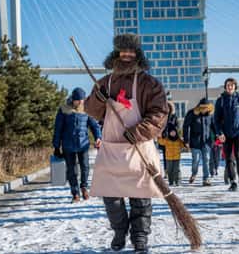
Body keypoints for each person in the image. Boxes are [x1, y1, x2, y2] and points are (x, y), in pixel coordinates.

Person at [85, 34, 168, 253]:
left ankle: (140, 236)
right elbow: (92, 111)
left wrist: (140, 131)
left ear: (137, 54)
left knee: (140, 196)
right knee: (111, 197)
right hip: (111, 149)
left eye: (131, 52)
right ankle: (119, 232)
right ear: (116, 54)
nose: (126, 55)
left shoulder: (150, 84)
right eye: (123, 52)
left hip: (138, 148)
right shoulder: (105, 82)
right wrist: (97, 100)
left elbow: (160, 112)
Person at [52, 87, 102, 203]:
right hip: (68, 145)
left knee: (85, 167)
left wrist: (98, 137)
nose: (80, 102)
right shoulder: (64, 110)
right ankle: (75, 193)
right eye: (78, 100)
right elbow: (58, 128)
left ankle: (84, 187)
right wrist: (56, 146)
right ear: (73, 99)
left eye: (82, 100)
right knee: (71, 170)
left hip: (83, 144)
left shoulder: (86, 110)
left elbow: (94, 125)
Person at [214, 78, 239, 191]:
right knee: (229, 158)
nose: (230, 87)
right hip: (226, 134)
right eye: (228, 85)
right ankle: (233, 182)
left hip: (238, 132)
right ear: (225, 87)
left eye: (232, 85)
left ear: (235, 87)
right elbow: (216, 120)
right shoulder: (220, 101)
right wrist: (219, 133)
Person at [183, 98, 215, 186]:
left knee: (206, 160)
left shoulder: (210, 115)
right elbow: (185, 126)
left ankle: (206, 179)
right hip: (195, 141)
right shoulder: (192, 113)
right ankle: (194, 173)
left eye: (206, 108)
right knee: (195, 161)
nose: (205, 109)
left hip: (206, 142)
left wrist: (218, 136)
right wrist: (186, 140)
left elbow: (214, 127)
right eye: (203, 107)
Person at [159, 100, 179, 178]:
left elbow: (177, 125)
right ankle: (166, 171)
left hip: (173, 138)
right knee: (165, 155)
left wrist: (174, 131)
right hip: (164, 138)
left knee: (174, 155)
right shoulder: (162, 116)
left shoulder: (174, 117)